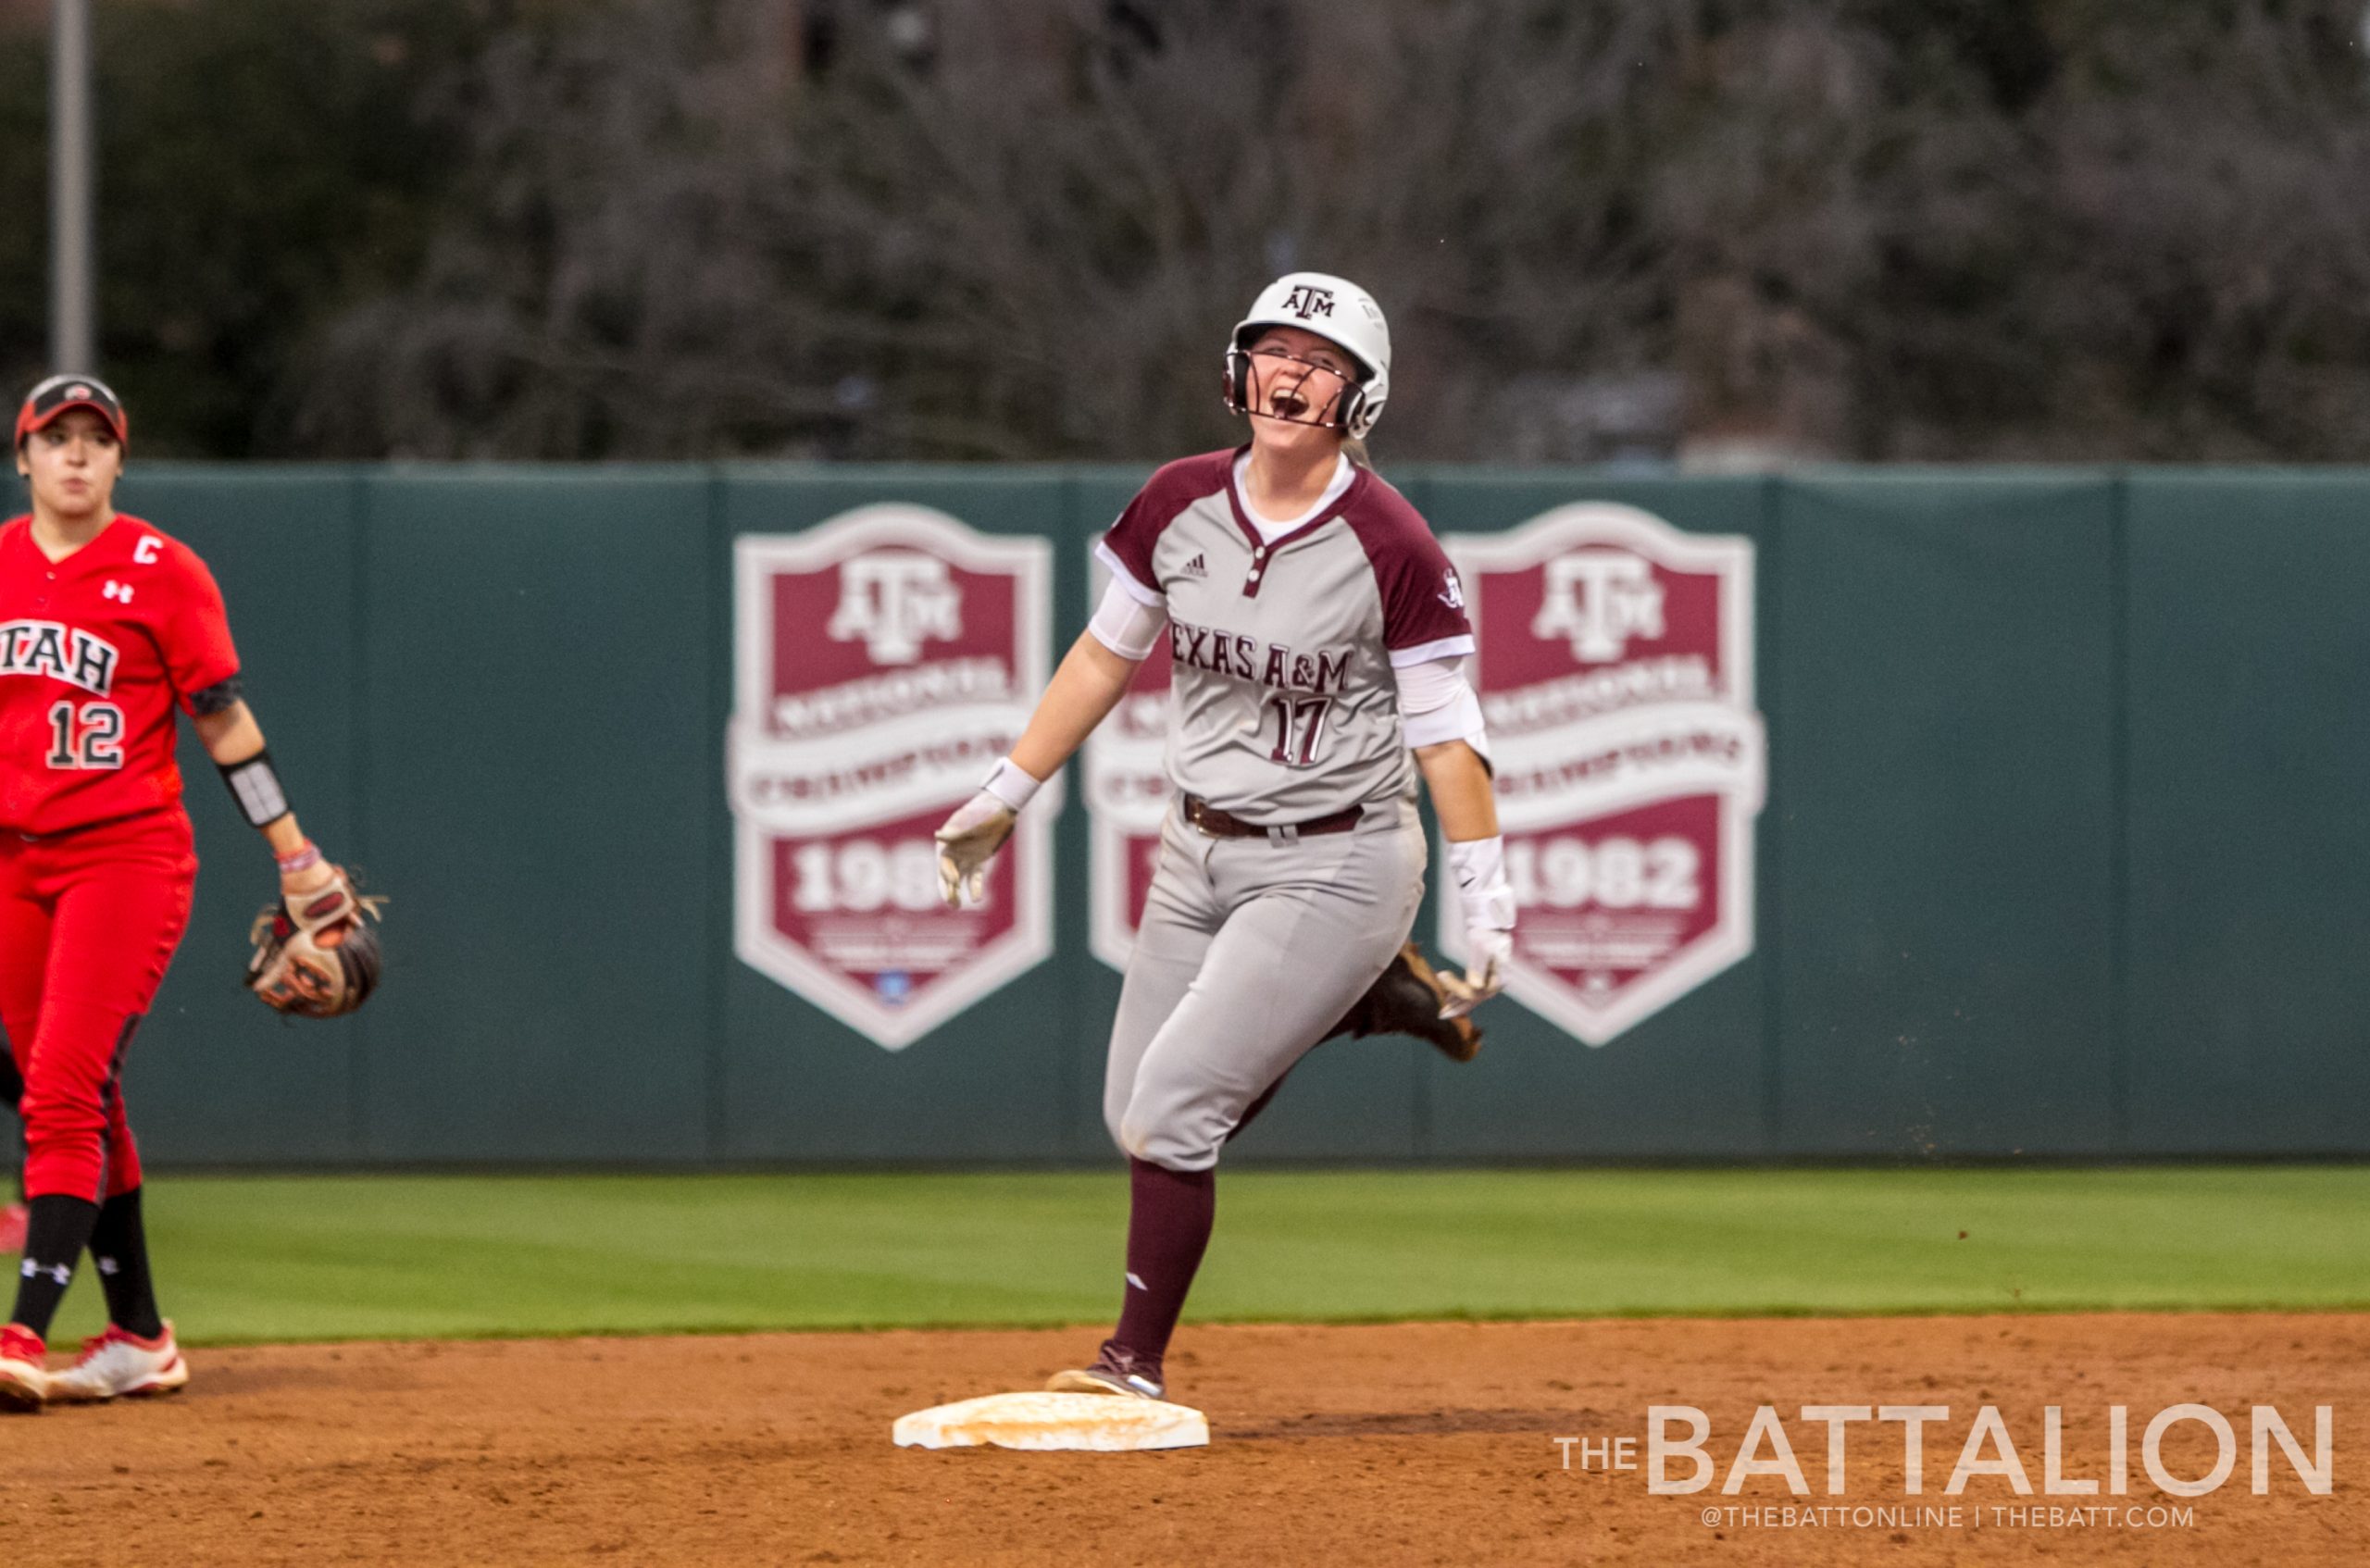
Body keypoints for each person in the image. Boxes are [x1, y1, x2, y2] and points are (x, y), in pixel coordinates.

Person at [934, 274, 1517, 1400]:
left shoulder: (1390, 540)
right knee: (1135, 1116)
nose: (1290, 376)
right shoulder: (1179, 499)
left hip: (1336, 853)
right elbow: (1104, 656)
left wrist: (1484, 888)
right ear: (1236, 367)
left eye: (1321, 362)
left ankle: (1130, 1366)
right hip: (1196, 846)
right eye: (1273, 352)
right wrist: (1006, 791)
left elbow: (1449, 738)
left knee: (1171, 1112)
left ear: (1362, 398)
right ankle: (1350, 998)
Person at [0, 375, 359, 1411]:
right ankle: (142, 1336)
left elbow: (224, 724)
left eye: (93, 440)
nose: (74, 455)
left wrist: (296, 857)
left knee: (63, 1085)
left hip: (125, 854)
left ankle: (23, 1329)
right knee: (67, 1089)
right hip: (16, 862)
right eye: (53, 438)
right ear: (23, 458)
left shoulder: (163, 570)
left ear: (119, 460)